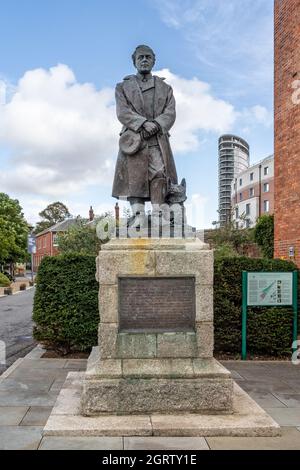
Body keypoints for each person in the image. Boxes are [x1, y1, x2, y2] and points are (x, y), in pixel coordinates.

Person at [112, 44, 178, 227]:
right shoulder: (123, 87)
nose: (144, 60)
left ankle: (159, 215)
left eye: (148, 57)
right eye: (140, 57)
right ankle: (138, 216)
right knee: (135, 177)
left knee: (159, 173)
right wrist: (142, 123)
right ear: (134, 61)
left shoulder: (165, 88)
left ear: (154, 61)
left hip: (157, 138)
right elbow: (122, 112)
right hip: (134, 139)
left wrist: (156, 124)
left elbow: (170, 112)